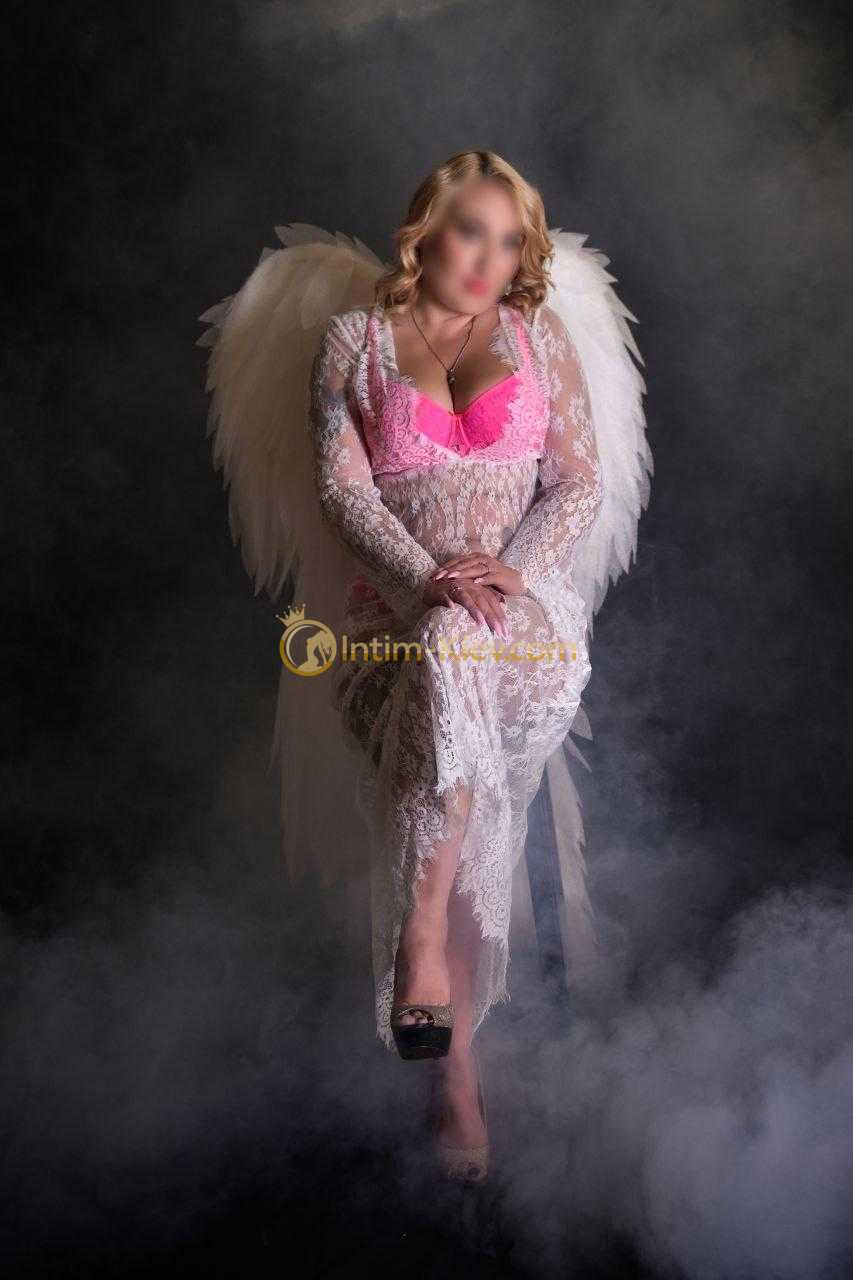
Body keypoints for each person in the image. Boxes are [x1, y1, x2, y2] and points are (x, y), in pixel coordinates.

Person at [306, 151, 604, 1182]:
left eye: (509, 240)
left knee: (462, 651)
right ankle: (458, 1077)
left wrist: (509, 574)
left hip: (526, 623)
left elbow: (577, 484)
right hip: (394, 625)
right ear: (424, 231)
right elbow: (344, 495)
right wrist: (429, 578)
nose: (488, 259)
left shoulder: (536, 335)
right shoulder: (352, 343)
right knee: (444, 662)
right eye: (471, 230)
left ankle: (420, 943)